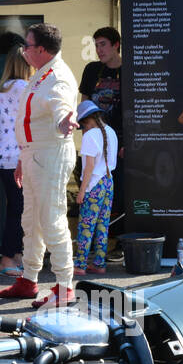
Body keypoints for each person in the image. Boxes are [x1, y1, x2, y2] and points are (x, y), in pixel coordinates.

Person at [0, 23, 79, 308]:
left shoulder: (58, 77)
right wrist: (23, 156)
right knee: (30, 221)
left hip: (50, 155)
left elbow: (62, 106)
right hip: (35, 155)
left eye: (27, 46)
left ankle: (65, 286)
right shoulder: (42, 74)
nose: (23, 51)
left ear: (41, 50)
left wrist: (65, 119)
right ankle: (29, 279)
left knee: (51, 220)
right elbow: (34, 120)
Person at [79, 25, 125, 245]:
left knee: (116, 193)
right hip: (95, 140)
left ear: (116, 45)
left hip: (117, 141)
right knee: (91, 187)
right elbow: (84, 103)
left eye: (103, 44)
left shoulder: (129, 70)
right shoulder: (91, 70)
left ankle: (115, 241)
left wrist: (126, 142)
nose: (99, 50)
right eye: (96, 45)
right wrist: (85, 131)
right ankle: (93, 243)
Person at [0, 42, 32, 278]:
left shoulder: (5, 87)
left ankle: (15, 254)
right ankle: (7, 257)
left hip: (3, 156)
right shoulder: (23, 87)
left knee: (16, 207)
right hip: (17, 157)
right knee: (19, 209)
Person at [72, 100, 117, 277]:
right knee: (103, 226)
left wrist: (82, 191)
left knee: (85, 226)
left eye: (82, 126)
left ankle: (80, 265)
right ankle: (99, 263)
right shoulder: (111, 132)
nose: (82, 130)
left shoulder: (90, 136)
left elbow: (89, 166)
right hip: (108, 181)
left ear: (86, 121)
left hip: (94, 184)